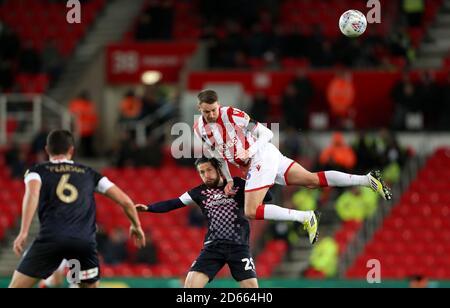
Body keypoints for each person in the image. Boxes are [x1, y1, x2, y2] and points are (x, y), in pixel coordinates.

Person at [193, 89, 392, 245]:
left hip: (261, 156)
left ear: (218, 105)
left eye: (214, 110)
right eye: (206, 111)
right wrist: (228, 179)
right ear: (199, 108)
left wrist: (249, 151)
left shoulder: (231, 114)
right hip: (264, 159)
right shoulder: (199, 129)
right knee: (312, 181)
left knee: (251, 211)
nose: (211, 114)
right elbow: (218, 154)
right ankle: (367, 179)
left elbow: (267, 134)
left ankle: (305, 217)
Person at [9, 130, 145, 288]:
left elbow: (32, 195)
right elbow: (126, 202)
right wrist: (136, 226)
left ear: (47, 150)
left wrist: (24, 231)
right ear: (71, 150)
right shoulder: (90, 174)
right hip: (83, 242)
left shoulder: (37, 172)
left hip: (51, 240)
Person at [136, 157, 273, 288]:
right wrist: (149, 208)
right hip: (213, 247)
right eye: (202, 172)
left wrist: (252, 182)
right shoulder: (199, 192)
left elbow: (267, 197)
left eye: (209, 170)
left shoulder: (237, 184)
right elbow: (174, 203)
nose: (206, 175)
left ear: (219, 169)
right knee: (190, 286)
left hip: (239, 246)